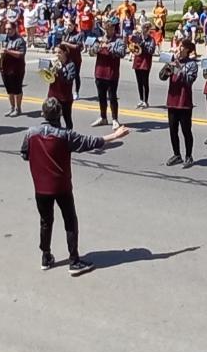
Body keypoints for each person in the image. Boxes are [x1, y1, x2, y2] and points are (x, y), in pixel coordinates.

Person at [21, 98, 131, 274]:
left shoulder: (31, 133)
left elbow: (25, 154)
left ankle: (46, 256)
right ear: (60, 115)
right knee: (70, 221)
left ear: (43, 114)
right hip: (62, 186)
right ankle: (74, 260)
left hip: (40, 187)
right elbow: (90, 142)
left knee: (45, 221)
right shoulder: (65, 135)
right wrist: (115, 136)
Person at [161, 39, 199, 167]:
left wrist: (179, 68)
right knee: (173, 130)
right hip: (172, 100)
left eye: (182, 47)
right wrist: (168, 66)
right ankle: (177, 154)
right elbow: (162, 76)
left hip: (184, 101)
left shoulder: (192, 64)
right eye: (179, 46)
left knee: (186, 130)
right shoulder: (173, 61)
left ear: (187, 49)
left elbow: (189, 80)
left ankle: (189, 156)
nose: (179, 48)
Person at [91, 17, 126, 129]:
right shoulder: (100, 39)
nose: (107, 31)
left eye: (110, 28)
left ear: (113, 29)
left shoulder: (118, 40)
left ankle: (115, 119)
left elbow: (122, 53)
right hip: (99, 72)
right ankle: (103, 117)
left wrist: (109, 47)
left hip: (111, 73)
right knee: (101, 97)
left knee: (112, 97)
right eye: (106, 28)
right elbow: (91, 52)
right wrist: (97, 47)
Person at [0, 21, 27, 116]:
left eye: (9, 29)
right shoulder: (5, 39)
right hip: (5, 68)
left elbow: (21, 54)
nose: (7, 31)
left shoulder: (20, 40)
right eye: (6, 29)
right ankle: (12, 107)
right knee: (9, 89)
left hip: (16, 69)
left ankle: (18, 108)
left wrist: (7, 51)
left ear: (15, 29)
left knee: (17, 89)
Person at [47, 43, 78, 129]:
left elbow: (69, 80)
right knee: (54, 120)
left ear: (65, 53)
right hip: (53, 95)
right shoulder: (53, 63)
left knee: (67, 119)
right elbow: (48, 77)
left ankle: (69, 137)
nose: (57, 54)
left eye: (59, 52)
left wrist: (60, 72)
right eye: (55, 52)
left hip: (65, 97)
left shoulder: (70, 65)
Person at [130, 25, 156, 109]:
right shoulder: (138, 37)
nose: (143, 31)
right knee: (139, 82)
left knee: (145, 82)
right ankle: (141, 99)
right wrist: (134, 35)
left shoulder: (151, 40)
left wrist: (144, 45)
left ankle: (146, 101)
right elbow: (132, 43)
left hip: (145, 62)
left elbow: (151, 51)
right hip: (137, 61)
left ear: (148, 30)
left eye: (145, 29)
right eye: (143, 29)